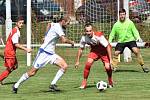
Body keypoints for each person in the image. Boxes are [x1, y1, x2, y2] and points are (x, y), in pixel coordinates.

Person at [12, 16, 74, 93]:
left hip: (51, 54)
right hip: (43, 53)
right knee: (32, 72)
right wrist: (72, 42)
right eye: (68, 23)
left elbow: (49, 24)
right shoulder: (58, 27)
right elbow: (64, 40)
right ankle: (16, 85)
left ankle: (52, 84)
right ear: (63, 21)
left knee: (64, 66)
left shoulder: (54, 24)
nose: (68, 25)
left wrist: (45, 36)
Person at [109, 8, 149, 73]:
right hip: (121, 41)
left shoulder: (130, 23)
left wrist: (138, 37)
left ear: (125, 15)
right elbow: (112, 34)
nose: (122, 16)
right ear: (119, 15)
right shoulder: (116, 25)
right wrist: (109, 41)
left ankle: (143, 66)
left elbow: (135, 31)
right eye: (121, 15)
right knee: (116, 53)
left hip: (131, 40)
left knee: (136, 51)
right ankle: (114, 67)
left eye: (123, 14)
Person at [75, 23, 113, 89]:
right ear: (85, 31)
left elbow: (107, 46)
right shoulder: (84, 38)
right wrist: (77, 61)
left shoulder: (98, 36)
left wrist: (111, 59)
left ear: (92, 30)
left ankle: (110, 80)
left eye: (90, 31)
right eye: (87, 31)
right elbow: (81, 49)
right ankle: (84, 82)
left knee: (107, 67)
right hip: (94, 51)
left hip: (104, 51)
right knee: (88, 63)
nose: (88, 32)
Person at [0, 17, 32, 85]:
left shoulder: (15, 29)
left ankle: (1, 78)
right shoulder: (16, 31)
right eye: (20, 23)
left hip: (10, 52)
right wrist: (26, 49)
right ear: (16, 23)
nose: (21, 24)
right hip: (9, 52)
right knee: (10, 68)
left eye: (22, 23)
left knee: (15, 66)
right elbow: (16, 44)